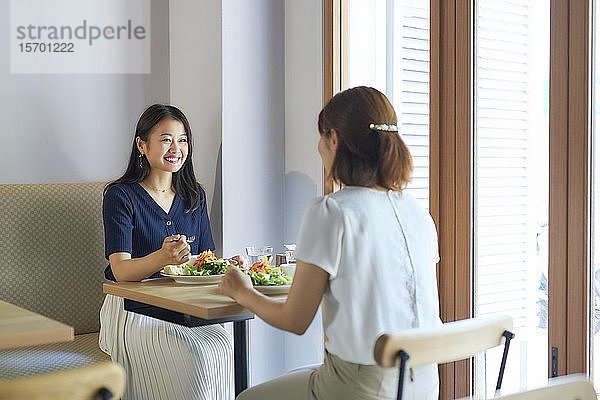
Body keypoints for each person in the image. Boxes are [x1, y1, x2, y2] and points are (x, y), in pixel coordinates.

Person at [220, 86, 441, 400]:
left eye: (322, 138)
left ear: (334, 139)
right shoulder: (418, 213)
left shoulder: (331, 212)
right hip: (423, 382)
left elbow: (294, 320)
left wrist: (241, 291)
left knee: (246, 398)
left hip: (363, 387)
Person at [99, 104, 233, 400]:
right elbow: (120, 271)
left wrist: (226, 267)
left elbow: (203, 260)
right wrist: (162, 257)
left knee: (223, 345)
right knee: (196, 355)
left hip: (183, 306)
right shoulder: (120, 196)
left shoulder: (194, 195)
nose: (176, 148)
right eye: (166, 139)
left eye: (183, 139)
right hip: (133, 307)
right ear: (141, 145)